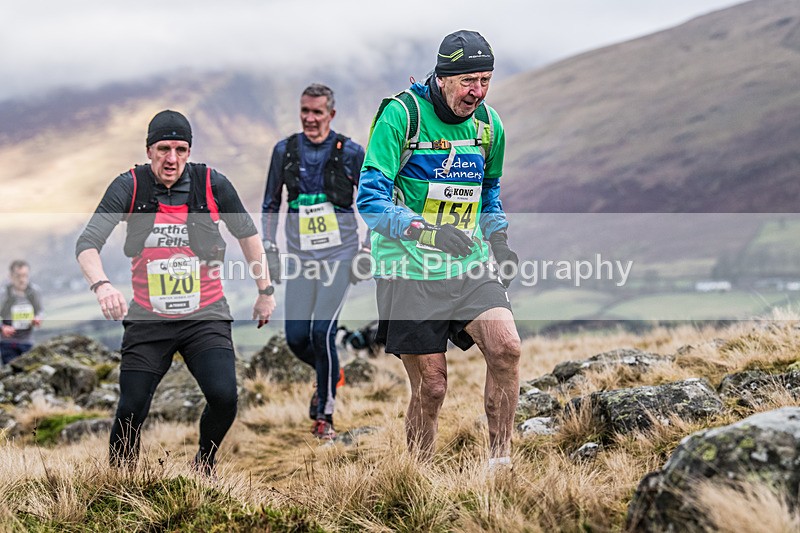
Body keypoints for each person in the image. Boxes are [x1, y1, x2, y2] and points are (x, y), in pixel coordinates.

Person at [76, 110, 275, 474]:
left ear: (189, 150)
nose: (172, 159)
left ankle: (204, 464)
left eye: (180, 149)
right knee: (132, 406)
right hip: (149, 319)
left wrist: (265, 289)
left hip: (205, 314)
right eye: (164, 148)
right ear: (149, 149)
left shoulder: (212, 184)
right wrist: (102, 285)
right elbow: (88, 243)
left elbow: (247, 235)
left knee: (224, 397)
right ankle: (120, 480)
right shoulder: (129, 186)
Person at [357, 30, 522, 465]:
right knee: (432, 387)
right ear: (444, 77)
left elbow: (489, 191)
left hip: (467, 261)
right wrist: (425, 232)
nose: (478, 92)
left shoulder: (489, 125)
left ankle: (499, 465)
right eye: (469, 81)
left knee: (507, 348)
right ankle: (418, 476)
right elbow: (370, 200)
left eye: (486, 80)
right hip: (407, 266)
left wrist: (499, 240)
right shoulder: (401, 115)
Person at [261, 83, 367, 440]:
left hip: (341, 255)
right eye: (304, 111)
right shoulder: (285, 151)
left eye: (317, 112)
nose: (309, 118)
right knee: (296, 339)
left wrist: (367, 249)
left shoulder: (351, 152)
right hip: (301, 257)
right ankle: (331, 370)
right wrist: (269, 248)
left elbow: (377, 197)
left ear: (331, 114)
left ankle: (326, 415)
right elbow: (271, 204)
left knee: (321, 332)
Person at [0, 260, 44, 364]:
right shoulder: (4, 294)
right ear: (10, 276)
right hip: (8, 344)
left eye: (25, 275)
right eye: (18, 276)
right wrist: (2, 328)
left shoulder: (34, 291)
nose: (22, 280)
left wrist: (38, 318)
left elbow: (40, 311)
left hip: (27, 342)